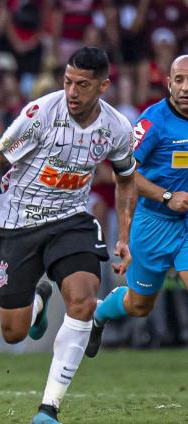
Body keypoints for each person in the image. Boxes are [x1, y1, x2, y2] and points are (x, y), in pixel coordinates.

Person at [0, 47, 137, 424]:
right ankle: (39, 302)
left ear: (103, 86)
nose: (72, 92)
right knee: (13, 333)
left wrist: (123, 234)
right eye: (68, 82)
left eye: (83, 85)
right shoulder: (40, 115)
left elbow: (125, 179)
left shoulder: (117, 128)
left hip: (70, 220)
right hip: (16, 225)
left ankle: (48, 409)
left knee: (82, 301)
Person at [88, 55, 188, 357]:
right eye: (180, 80)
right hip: (153, 223)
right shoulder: (153, 121)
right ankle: (99, 314)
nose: (185, 87)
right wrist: (167, 197)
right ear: (169, 83)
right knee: (139, 305)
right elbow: (125, 174)